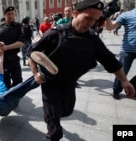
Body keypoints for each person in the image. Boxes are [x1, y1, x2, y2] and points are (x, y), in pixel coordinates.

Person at [27, 0, 135, 140]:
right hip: (51, 83)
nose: (91, 23)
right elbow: (32, 53)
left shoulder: (92, 38)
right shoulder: (55, 34)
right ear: (76, 13)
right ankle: (53, 130)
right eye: (88, 18)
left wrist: (124, 80)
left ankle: (54, 117)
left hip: (70, 83)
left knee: (67, 110)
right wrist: (35, 73)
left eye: (95, 20)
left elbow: (109, 60)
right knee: (54, 124)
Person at [0, 48, 58, 116]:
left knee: (17, 88)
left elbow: (0, 63)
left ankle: (42, 75)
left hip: (11, 100)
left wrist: (1, 52)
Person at [105, 0, 136, 100]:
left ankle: (132, 88)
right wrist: (106, 16)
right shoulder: (127, 15)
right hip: (128, 49)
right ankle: (116, 90)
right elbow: (110, 27)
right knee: (122, 72)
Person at [0, 6, 25, 89]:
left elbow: (22, 42)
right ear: (4, 15)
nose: (11, 16)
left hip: (14, 59)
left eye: (13, 13)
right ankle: (8, 98)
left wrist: (7, 47)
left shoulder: (18, 26)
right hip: (2, 60)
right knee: (5, 82)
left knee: (18, 80)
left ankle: (14, 97)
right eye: (9, 14)